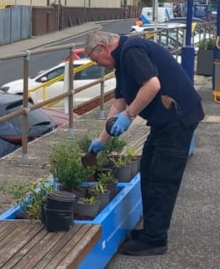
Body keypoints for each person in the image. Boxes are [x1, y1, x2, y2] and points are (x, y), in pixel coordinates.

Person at [83, 28, 204, 256]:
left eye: (93, 58)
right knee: (148, 170)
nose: (97, 64)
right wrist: (102, 140)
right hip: (164, 121)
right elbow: (119, 101)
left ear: (102, 48)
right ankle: (150, 230)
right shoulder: (122, 61)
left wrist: (128, 117)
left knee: (162, 179)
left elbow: (152, 85)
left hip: (177, 120)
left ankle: (155, 239)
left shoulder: (131, 52)